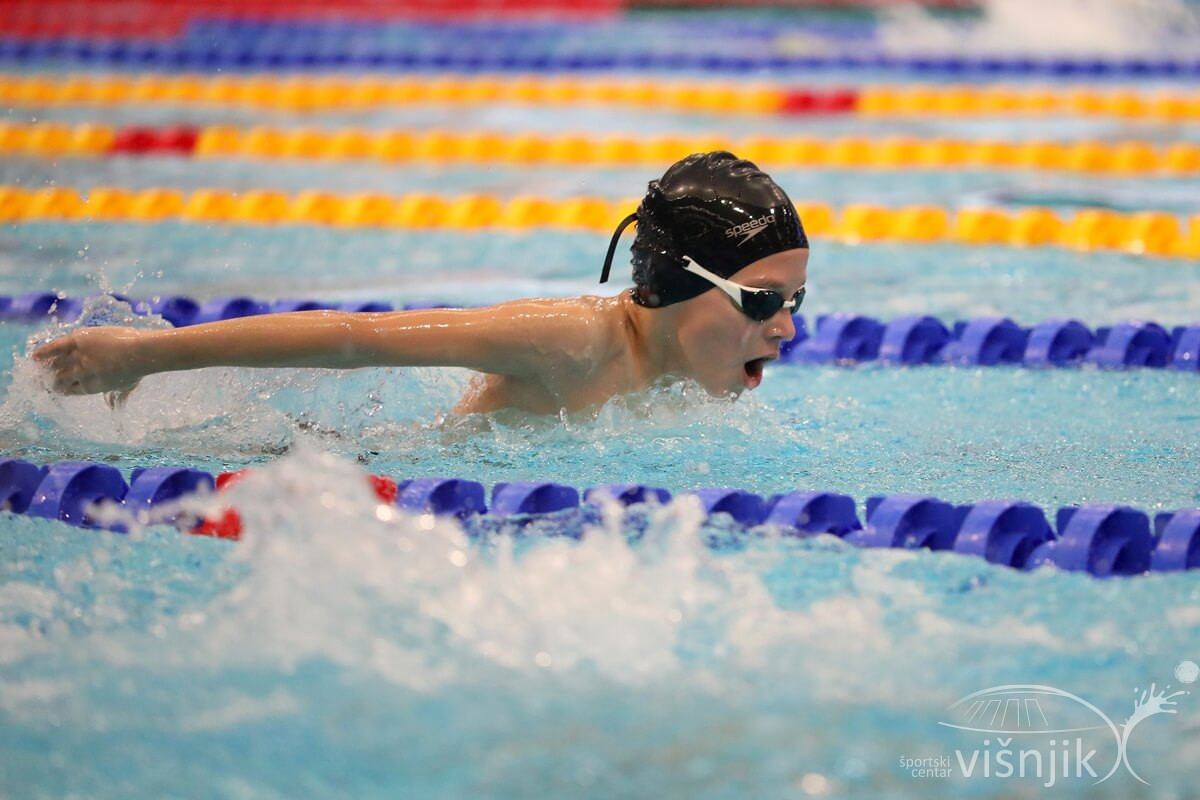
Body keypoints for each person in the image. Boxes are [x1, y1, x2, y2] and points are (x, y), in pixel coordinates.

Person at [33, 151, 809, 416]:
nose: (787, 329)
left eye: (794, 302)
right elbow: (355, 338)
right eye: (764, 300)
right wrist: (143, 355)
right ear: (679, 283)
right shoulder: (573, 340)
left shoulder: (687, 387)